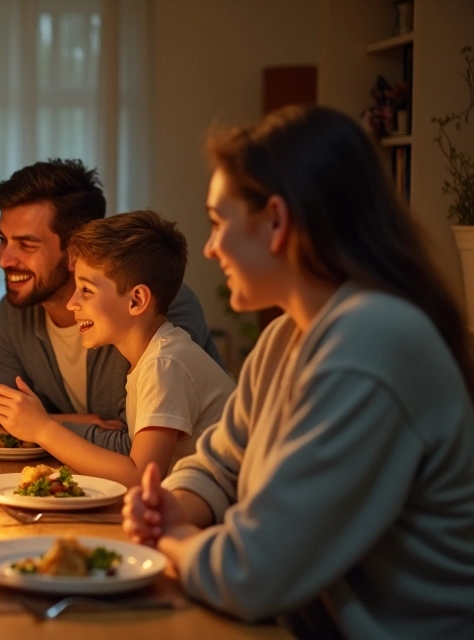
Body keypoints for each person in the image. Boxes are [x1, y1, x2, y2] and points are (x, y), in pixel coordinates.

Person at [122, 105, 474, 637]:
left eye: (218, 224)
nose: (212, 249)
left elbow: (254, 572)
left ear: (278, 222)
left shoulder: (372, 342)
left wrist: (170, 541)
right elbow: (220, 464)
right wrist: (172, 505)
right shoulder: (287, 335)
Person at [0, 159, 224, 454]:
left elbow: (136, 449)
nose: (3, 258)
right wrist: (64, 422)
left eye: (26, 244)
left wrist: (42, 425)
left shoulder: (159, 308)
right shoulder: (13, 313)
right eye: (2, 239)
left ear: (75, 250)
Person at [0, 210, 234, 486]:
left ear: (136, 301)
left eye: (86, 290)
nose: (72, 303)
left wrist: (42, 429)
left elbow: (140, 476)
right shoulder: (152, 359)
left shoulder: (164, 363)